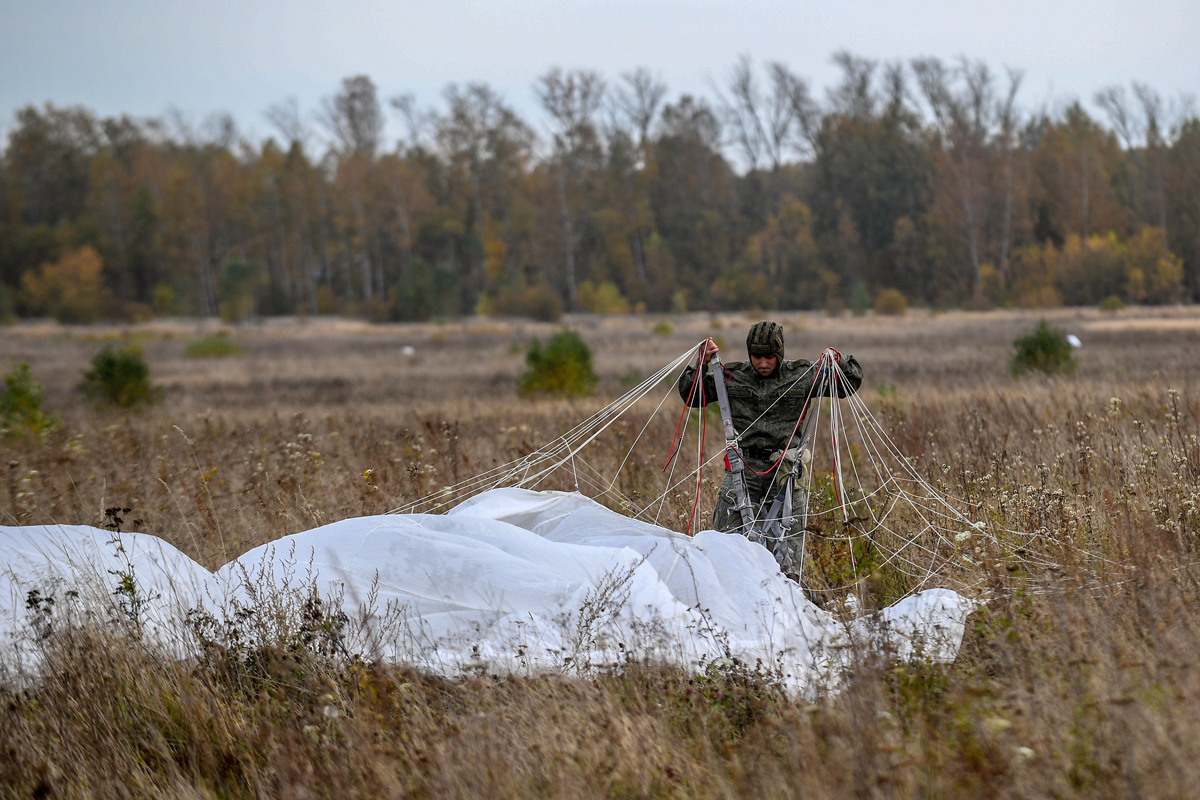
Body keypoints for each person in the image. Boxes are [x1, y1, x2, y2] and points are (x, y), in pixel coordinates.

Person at [677, 320, 863, 544]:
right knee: (723, 545)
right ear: (749, 354)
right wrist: (701, 362)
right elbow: (692, 396)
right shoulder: (730, 375)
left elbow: (848, 384)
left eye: (770, 357)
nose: (763, 363)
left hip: (785, 473)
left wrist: (839, 360)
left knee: (789, 551)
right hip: (742, 472)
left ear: (780, 353)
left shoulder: (802, 376)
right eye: (757, 357)